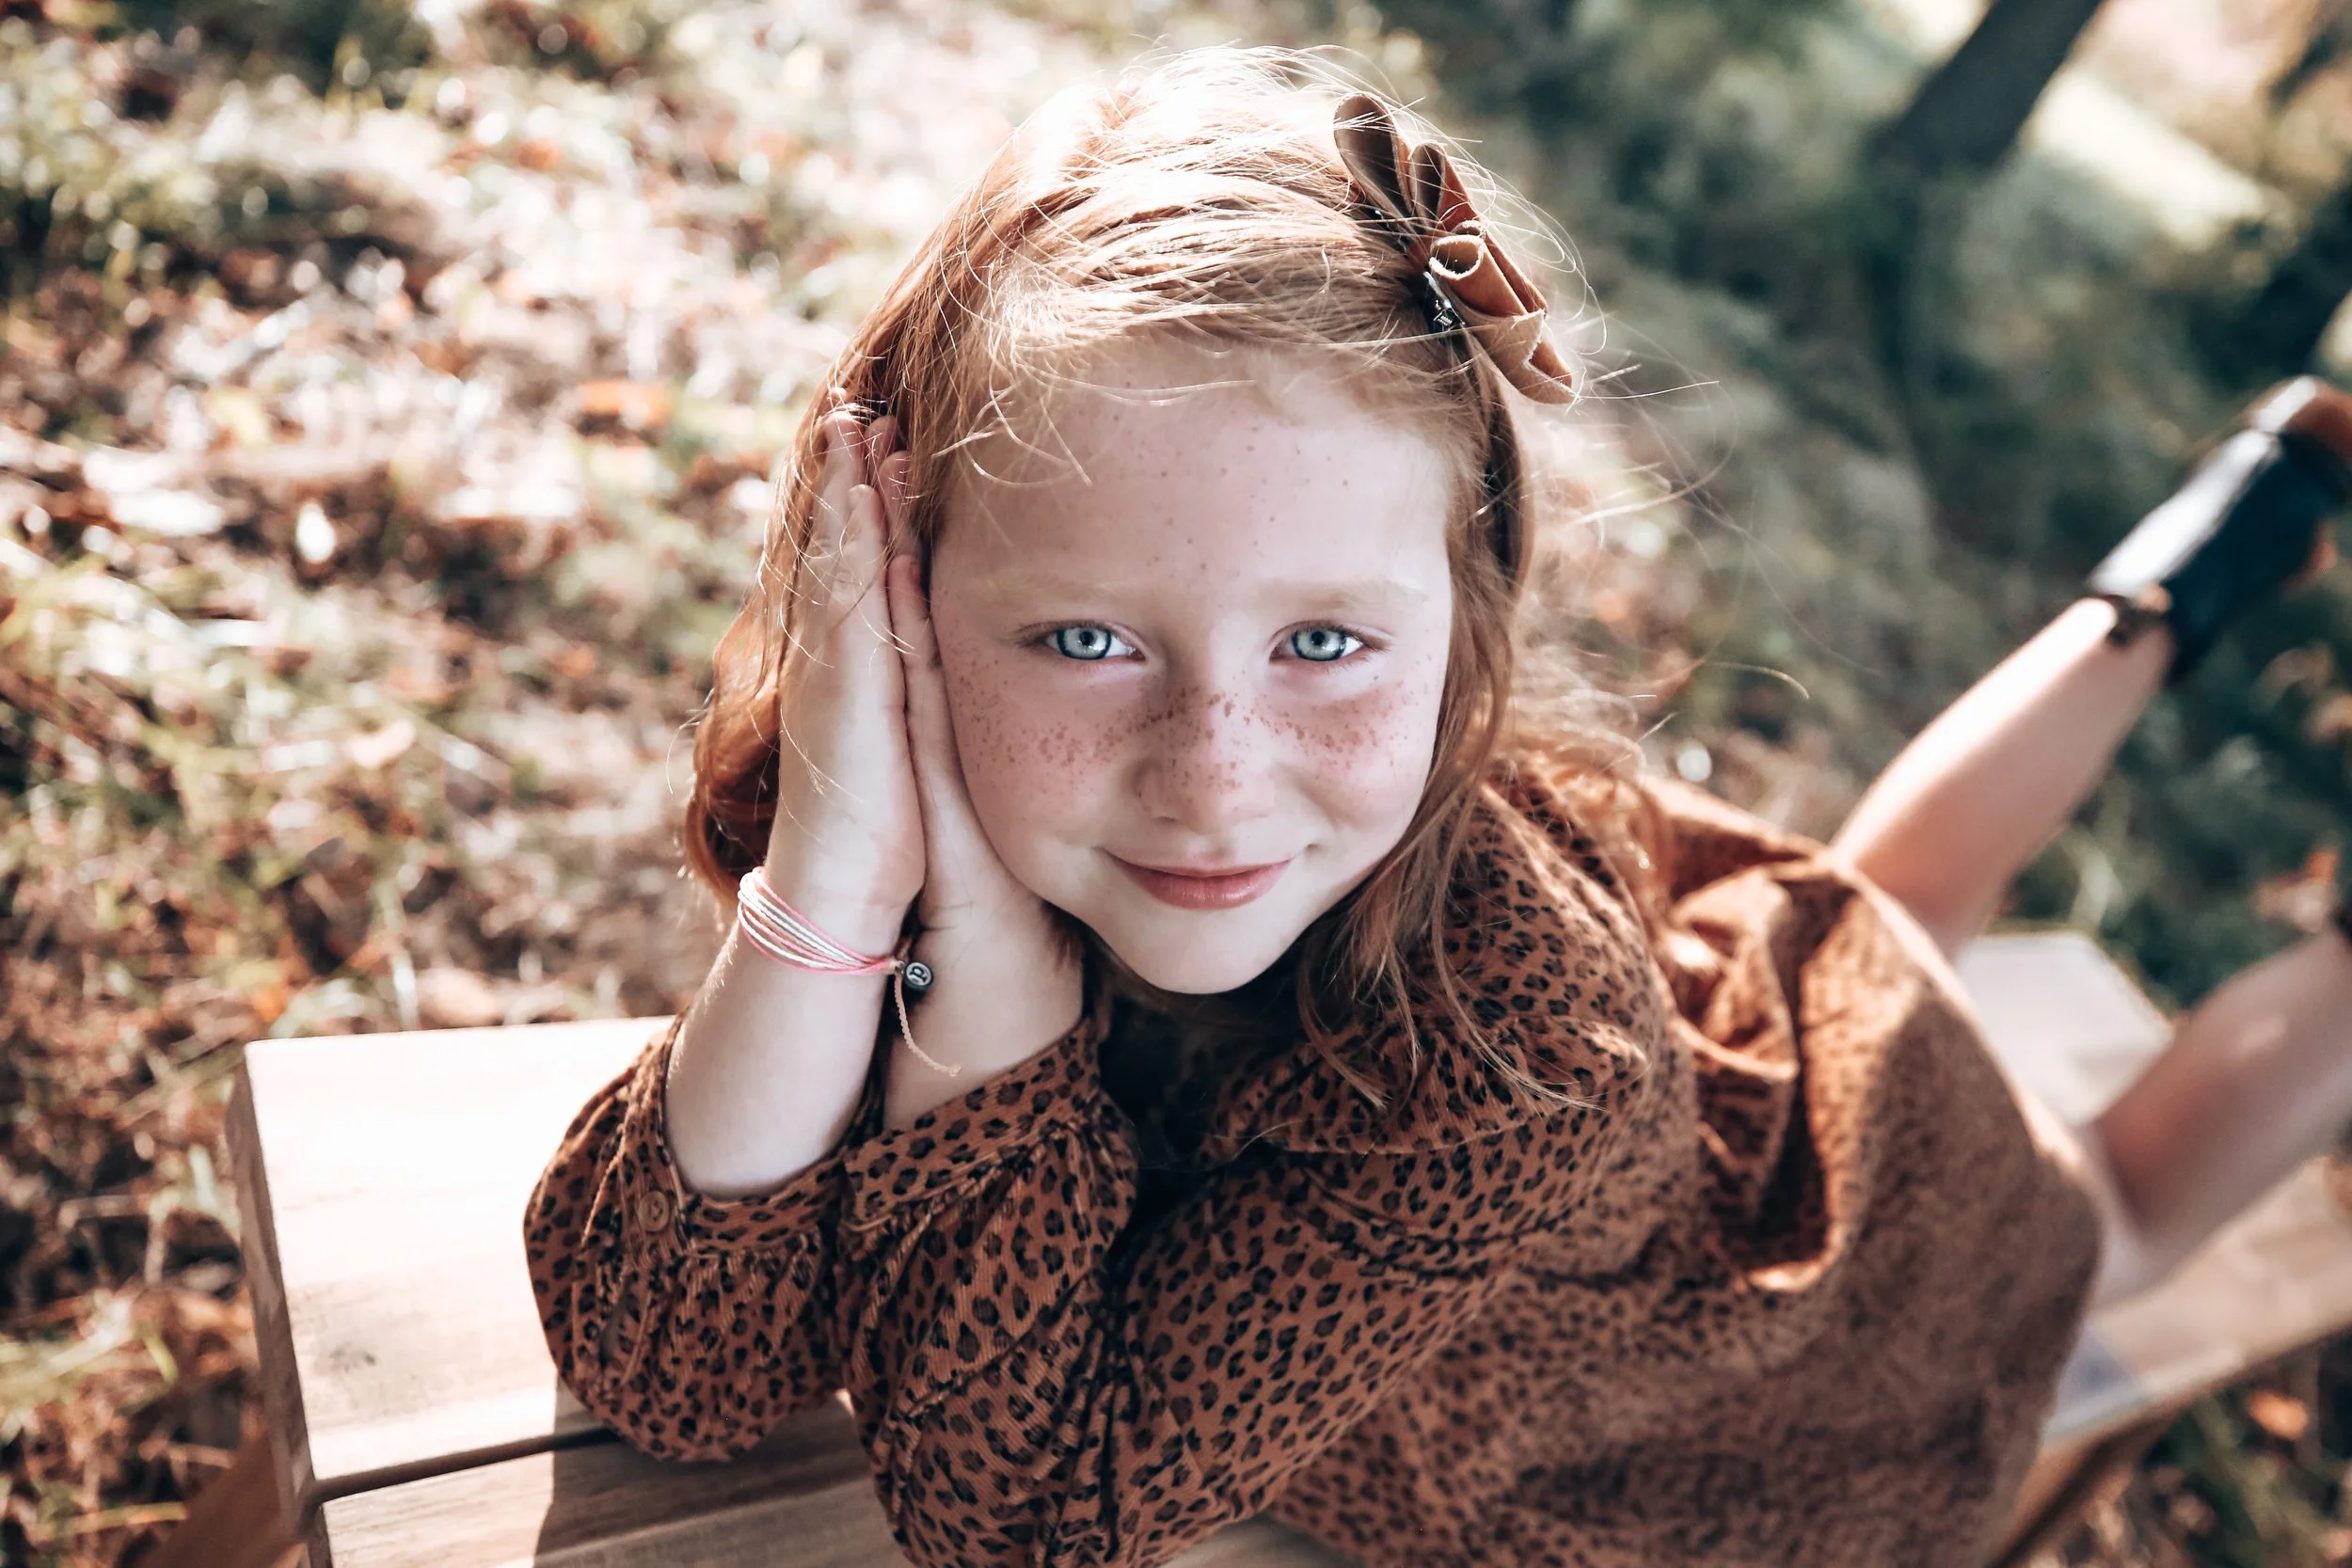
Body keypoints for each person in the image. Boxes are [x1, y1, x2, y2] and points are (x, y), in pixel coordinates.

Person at [521, 45, 2352, 1568]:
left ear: (1465, 601)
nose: (1211, 768)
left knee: (2100, 1199)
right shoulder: (903, 783)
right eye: (1086, 634)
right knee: (1865, 913)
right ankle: (2199, 560)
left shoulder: (1510, 1053)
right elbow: (661, 1362)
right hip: (1703, 1045)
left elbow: (1018, 1507)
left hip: (1797, 1280)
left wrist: (986, 995)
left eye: (1322, 637)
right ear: (897, 596)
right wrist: (829, 872)